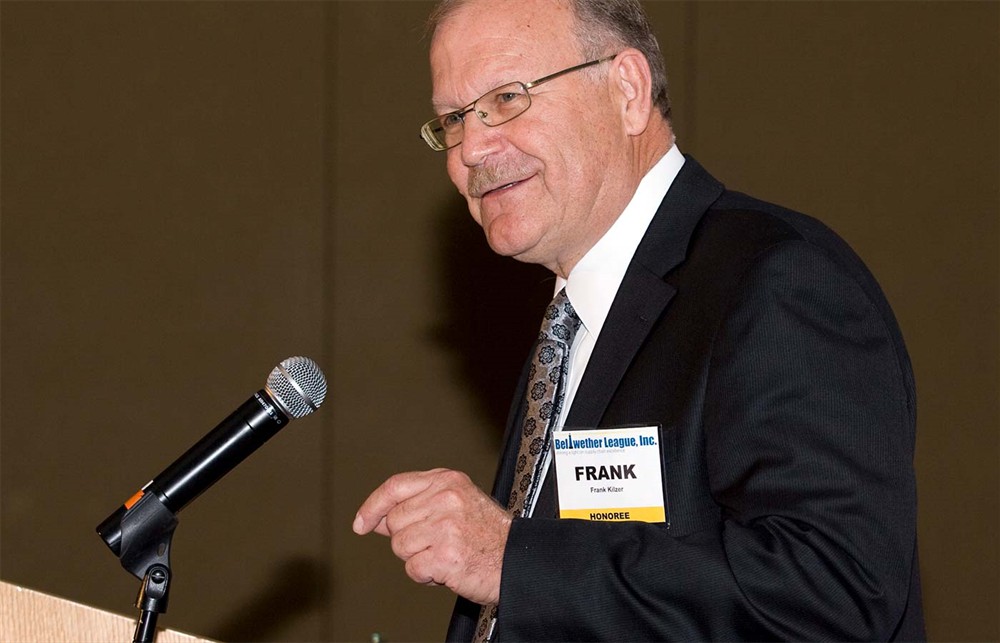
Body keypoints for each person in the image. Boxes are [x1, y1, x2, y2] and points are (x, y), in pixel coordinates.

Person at [353, 0, 925, 640]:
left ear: (627, 90)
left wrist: (511, 559)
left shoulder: (775, 280)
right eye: (453, 120)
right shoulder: (572, 326)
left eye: (508, 98)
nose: (473, 149)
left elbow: (832, 597)